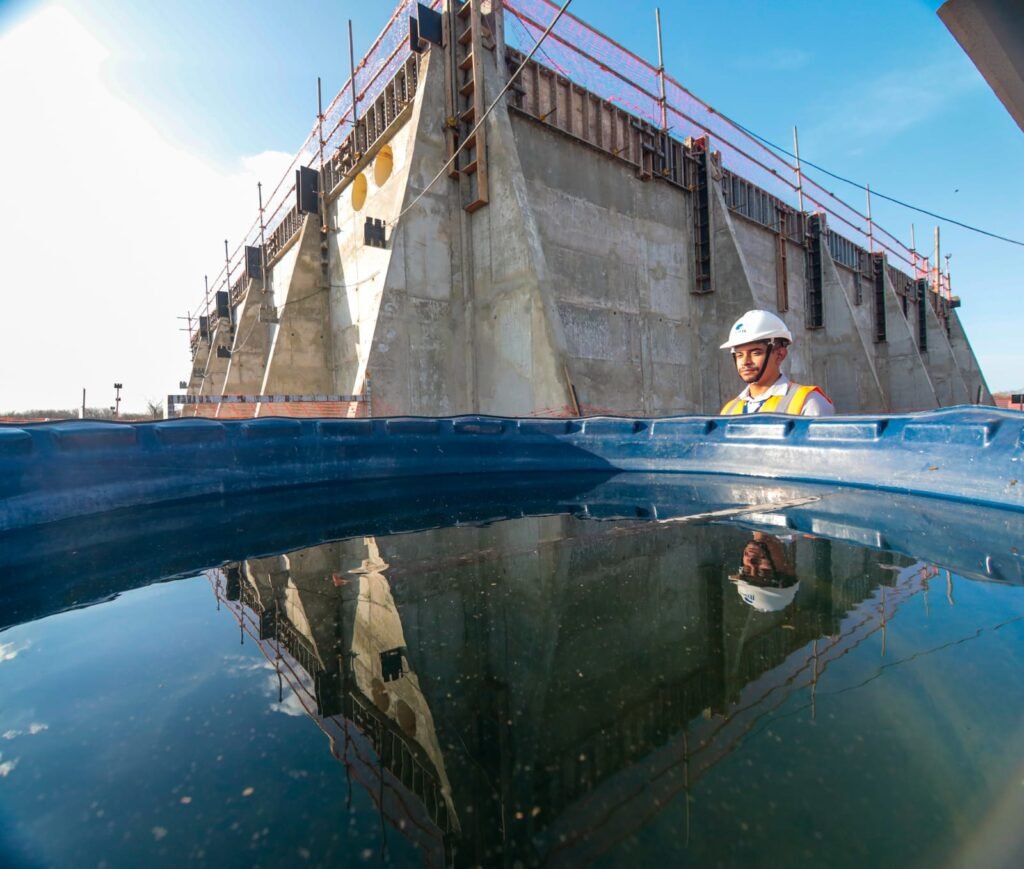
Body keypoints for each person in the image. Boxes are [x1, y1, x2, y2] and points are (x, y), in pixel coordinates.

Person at [719, 310, 834, 416]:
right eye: (739, 355)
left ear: (780, 355)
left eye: (756, 353)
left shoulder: (808, 402)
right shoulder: (729, 410)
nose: (745, 362)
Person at [729, 532, 800, 613]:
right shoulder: (803, 527)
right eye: (762, 572)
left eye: (746, 570)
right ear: (788, 569)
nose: (751, 563)